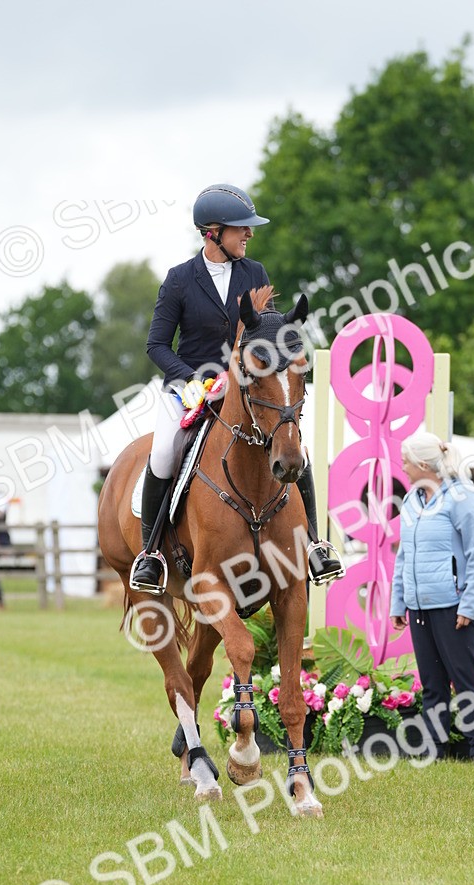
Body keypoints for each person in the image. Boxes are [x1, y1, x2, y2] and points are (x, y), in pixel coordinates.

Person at [130, 182, 343, 593]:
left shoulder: (254, 273)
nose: (249, 234)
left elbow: (267, 330)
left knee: (290, 443)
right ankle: (151, 554)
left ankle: (315, 544)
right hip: (190, 389)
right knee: (164, 452)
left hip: (245, 388)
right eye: (240, 228)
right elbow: (156, 344)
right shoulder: (179, 280)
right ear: (212, 233)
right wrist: (191, 379)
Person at [390, 430, 474, 762]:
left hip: (455, 607)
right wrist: (398, 602)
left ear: (422, 463)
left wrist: (470, 604)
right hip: (420, 608)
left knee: (465, 681)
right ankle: (435, 748)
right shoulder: (410, 501)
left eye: (406, 460)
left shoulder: (463, 498)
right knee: (432, 684)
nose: (402, 466)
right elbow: (404, 555)